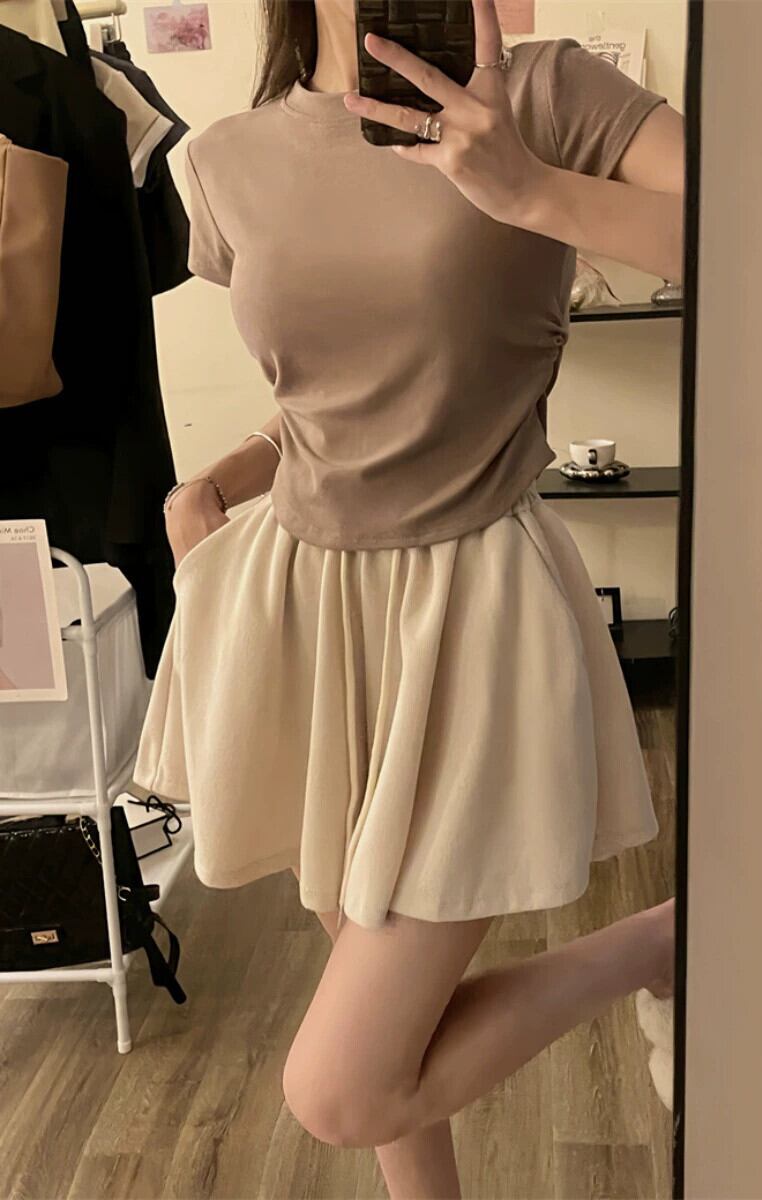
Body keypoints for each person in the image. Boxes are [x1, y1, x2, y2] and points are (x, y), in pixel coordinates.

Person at [129, 0, 684, 1194]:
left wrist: (532, 191)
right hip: (305, 615)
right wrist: (221, 477)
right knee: (385, 1017)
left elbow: (758, 234)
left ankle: (663, 941)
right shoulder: (226, 160)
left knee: (345, 1085)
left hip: (472, 610)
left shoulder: (544, 96)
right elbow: (332, 390)